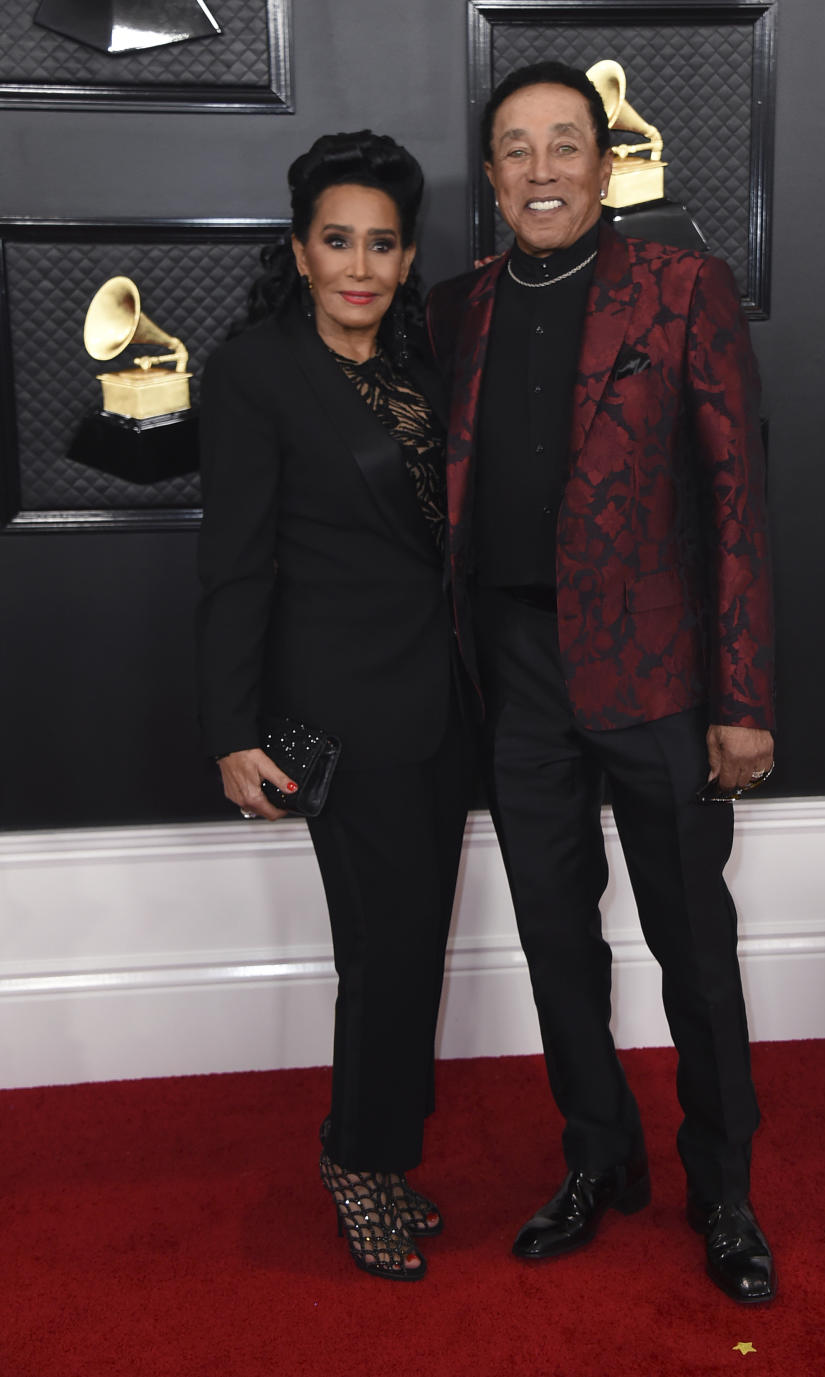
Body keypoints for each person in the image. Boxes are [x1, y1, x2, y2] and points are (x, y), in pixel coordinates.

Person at [426, 62, 777, 1303]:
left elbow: (736, 500)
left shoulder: (683, 290)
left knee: (696, 945)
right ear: (491, 171)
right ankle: (597, 1159)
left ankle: (723, 1189)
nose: (539, 171)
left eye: (563, 144)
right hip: (517, 675)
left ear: (605, 160)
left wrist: (743, 699)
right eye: (514, 148)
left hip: (661, 676)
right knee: (554, 942)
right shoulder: (456, 309)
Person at [197, 131, 470, 1282]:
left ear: (407, 258)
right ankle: (358, 1163)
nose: (360, 263)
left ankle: (384, 1155)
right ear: (300, 250)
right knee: (386, 953)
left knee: (412, 949)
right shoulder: (258, 369)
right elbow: (236, 564)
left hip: (447, 712)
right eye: (337, 240)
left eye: (384, 243)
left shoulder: (423, 363)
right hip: (339, 716)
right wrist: (230, 728)